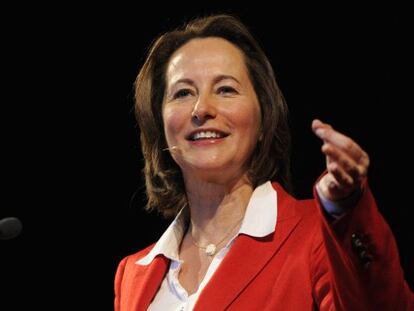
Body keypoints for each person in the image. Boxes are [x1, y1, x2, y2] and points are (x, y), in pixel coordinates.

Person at [114, 14, 413, 310]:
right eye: (182, 93)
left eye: (225, 89)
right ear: (160, 124)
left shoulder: (316, 236)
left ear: (262, 120)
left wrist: (348, 208)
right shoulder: (132, 275)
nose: (201, 108)